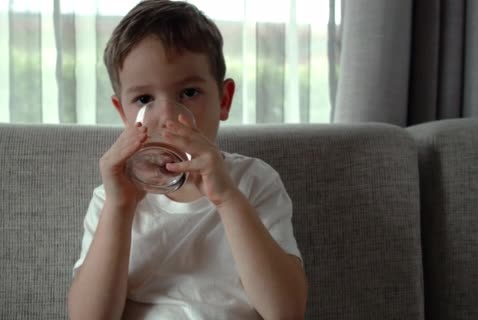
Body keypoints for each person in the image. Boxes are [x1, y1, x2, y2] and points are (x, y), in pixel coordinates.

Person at [67, 0, 307, 319]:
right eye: (144, 99)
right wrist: (120, 208)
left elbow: (286, 311)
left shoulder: (252, 181)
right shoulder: (112, 197)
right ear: (124, 113)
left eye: (189, 93)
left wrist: (227, 199)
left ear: (224, 99)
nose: (166, 115)